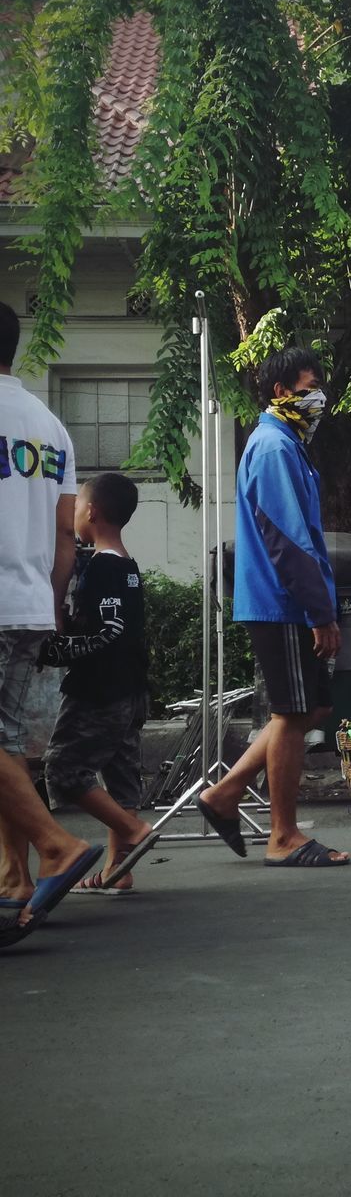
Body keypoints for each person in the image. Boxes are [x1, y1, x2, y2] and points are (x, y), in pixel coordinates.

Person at [193, 347, 349, 868]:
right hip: (282, 603)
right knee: (293, 712)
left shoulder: (286, 443)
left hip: (284, 602)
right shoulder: (275, 447)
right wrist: (319, 612)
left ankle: (226, 791)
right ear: (280, 390)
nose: (316, 398)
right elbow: (287, 541)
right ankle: (283, 836)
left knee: (312, 708)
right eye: (307, 388)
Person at [0, 301, 102, 949]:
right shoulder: (48, 424)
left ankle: (55, 845)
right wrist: (54, 602)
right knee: (6, 748)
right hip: (31, 602)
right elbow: (67, 535)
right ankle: (14, 884)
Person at [38, 473, 155, 893]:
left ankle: (133, 829)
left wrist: (55, 650)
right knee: (121, 776)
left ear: (91, 512)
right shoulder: (127, 565)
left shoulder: (102, 568)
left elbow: (110, 631)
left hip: (99, 689)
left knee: (63, 771)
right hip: (131, 688)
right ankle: (116, 873)